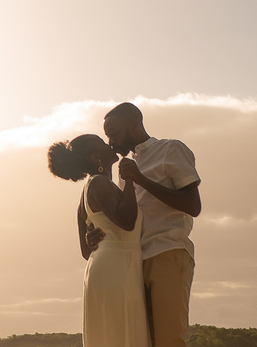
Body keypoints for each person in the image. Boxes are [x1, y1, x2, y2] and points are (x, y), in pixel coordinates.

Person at [103, 102, 201, 347]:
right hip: (134, 261)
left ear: (134, 123)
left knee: (169, 340)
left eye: (113, 133)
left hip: (168, 252)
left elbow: (193, 205)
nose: (110, 143)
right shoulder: (127, 168)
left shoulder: (171, 149)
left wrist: (141, 179)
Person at [48, 134, 150, 347]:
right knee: (121, 333)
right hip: (116, 268)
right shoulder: (99, 183)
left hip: (107, 266)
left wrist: (92, 239)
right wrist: (131, 178)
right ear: (96, 158)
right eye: (102, 144)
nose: (109, 144)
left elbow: (87, 251)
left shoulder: (90, 190)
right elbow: (127, 220)